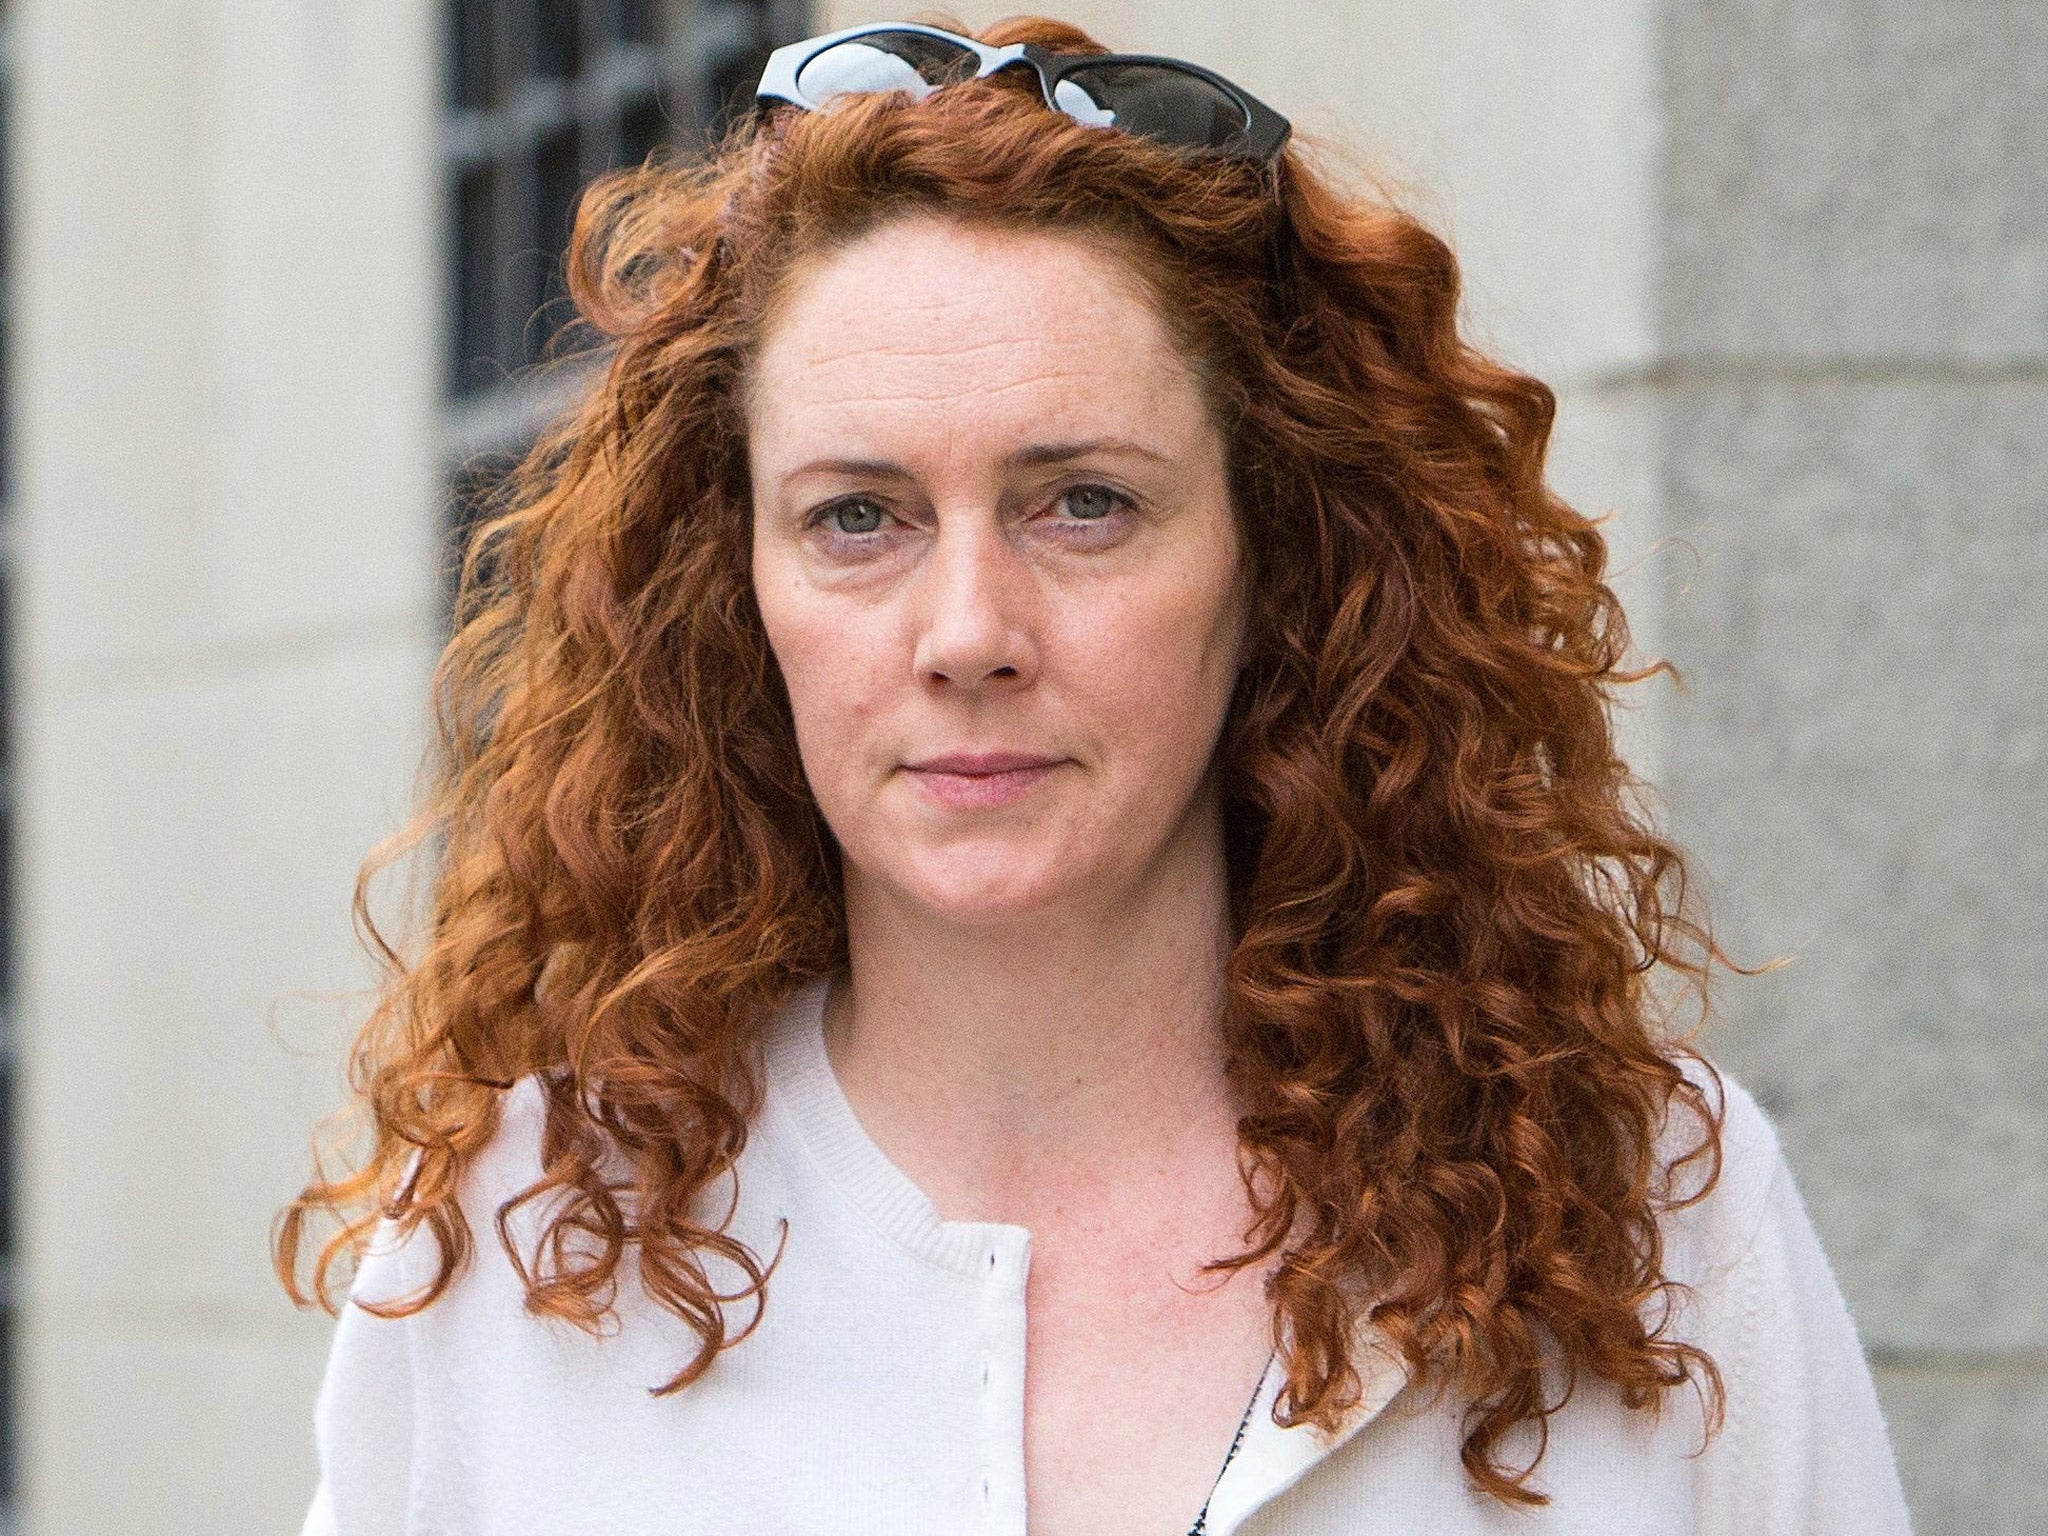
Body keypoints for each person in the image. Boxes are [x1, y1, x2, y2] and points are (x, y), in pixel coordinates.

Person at [279, 16, 1913, 1535]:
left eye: (1084, 506)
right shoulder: (516, 1243)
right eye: (859, 517)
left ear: (1280, 556)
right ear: (735, 588)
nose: (970, 631)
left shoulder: (1639, 1212)